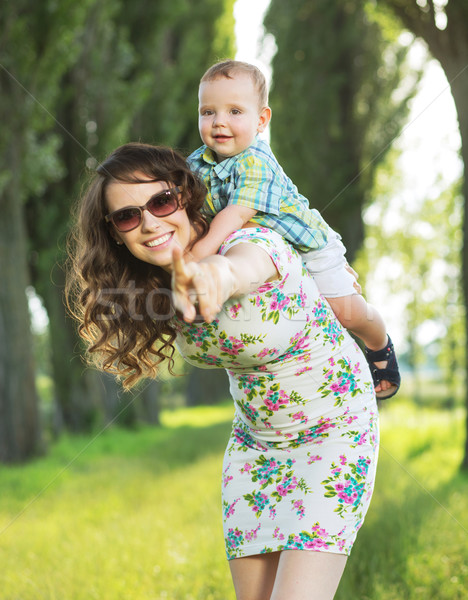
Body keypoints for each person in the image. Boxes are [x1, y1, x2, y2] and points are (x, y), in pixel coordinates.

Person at [67, 142, 380, 600]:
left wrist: (215, 276)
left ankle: (381, 344)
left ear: (184, 196)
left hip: (334, 432)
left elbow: (238, 270)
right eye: (128, 216)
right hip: (254, 448)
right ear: (115, 232)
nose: (150, 222)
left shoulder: (250, 241)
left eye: (160, 202)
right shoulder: (155, 281)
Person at [187, 60, 400, 399]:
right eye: (208, 112)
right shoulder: (197, 163)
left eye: (235, 112)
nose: (219, 122)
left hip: (308, 246)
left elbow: (233, 217)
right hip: (266, 256)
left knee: (344, 310)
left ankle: (378, 340)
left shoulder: (256, 160)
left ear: (261, 120)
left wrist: (194, 254)